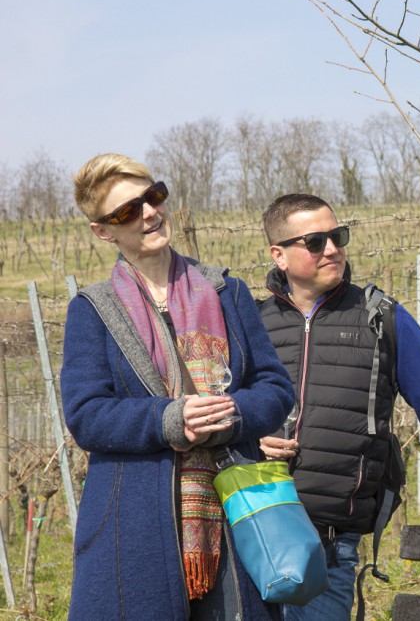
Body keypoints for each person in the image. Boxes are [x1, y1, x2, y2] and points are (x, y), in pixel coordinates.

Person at [61, 154, 294, 620]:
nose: (148, 212)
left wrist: (231, 414)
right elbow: (86, 414)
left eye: (153, 196)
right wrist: (169, 419)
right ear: (103, 231)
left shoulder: (227, 291)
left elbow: (274, 386)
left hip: (235, 512)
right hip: (134, 525)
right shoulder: (93, 309)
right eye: (127, 210)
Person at [257, 193, 420, 621]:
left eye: (337, 236)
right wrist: (250, 437)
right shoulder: (251, 324)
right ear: (280, 255)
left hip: (328, 543)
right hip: (249, 530)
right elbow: (218, 412)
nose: (332, 248)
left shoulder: (381, 318)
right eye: (314, 241)